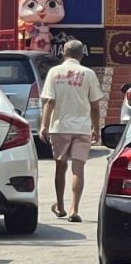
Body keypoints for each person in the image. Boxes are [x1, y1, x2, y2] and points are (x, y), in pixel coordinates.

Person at [39, 40, 102, 223]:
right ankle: (74, 209)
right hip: (82, 128)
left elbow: (49, 102)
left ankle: (60, 206)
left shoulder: (54, 72)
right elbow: (95, 106)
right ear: (82, 55)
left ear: (63, 53)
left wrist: (44, 125)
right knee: (78, 169)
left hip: (60, 127)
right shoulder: (88, 74)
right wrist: (96, 128)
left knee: (60, 167)